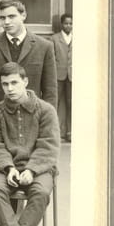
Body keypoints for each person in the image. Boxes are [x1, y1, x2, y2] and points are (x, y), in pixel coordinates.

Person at [0, 62, 60, 226]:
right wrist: (8, 167)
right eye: (5, 84)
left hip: (39, 167)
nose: (10, 88)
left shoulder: (46, 110)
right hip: (6, 168)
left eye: (14, 83)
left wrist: (32, 169)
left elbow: (48, 145)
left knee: (41, 192)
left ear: (25, 82)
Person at [0, 0, 57, 118]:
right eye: (2, 18)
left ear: (23, 15)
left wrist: (47, 119)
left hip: (31, 117)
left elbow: (50, 91)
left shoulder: (44, 46)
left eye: (11, 17)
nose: (6, 22)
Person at [51, 13, 72, 141]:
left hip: (72, 76)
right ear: (61, 24)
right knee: (55, 102)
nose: (68, 26)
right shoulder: (54, 39)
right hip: (58, 75)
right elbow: (51, 57)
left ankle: (69, 132)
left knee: (71, 103)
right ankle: (54, 132)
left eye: (70, 23)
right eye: (66, 23)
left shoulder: (78, 37)